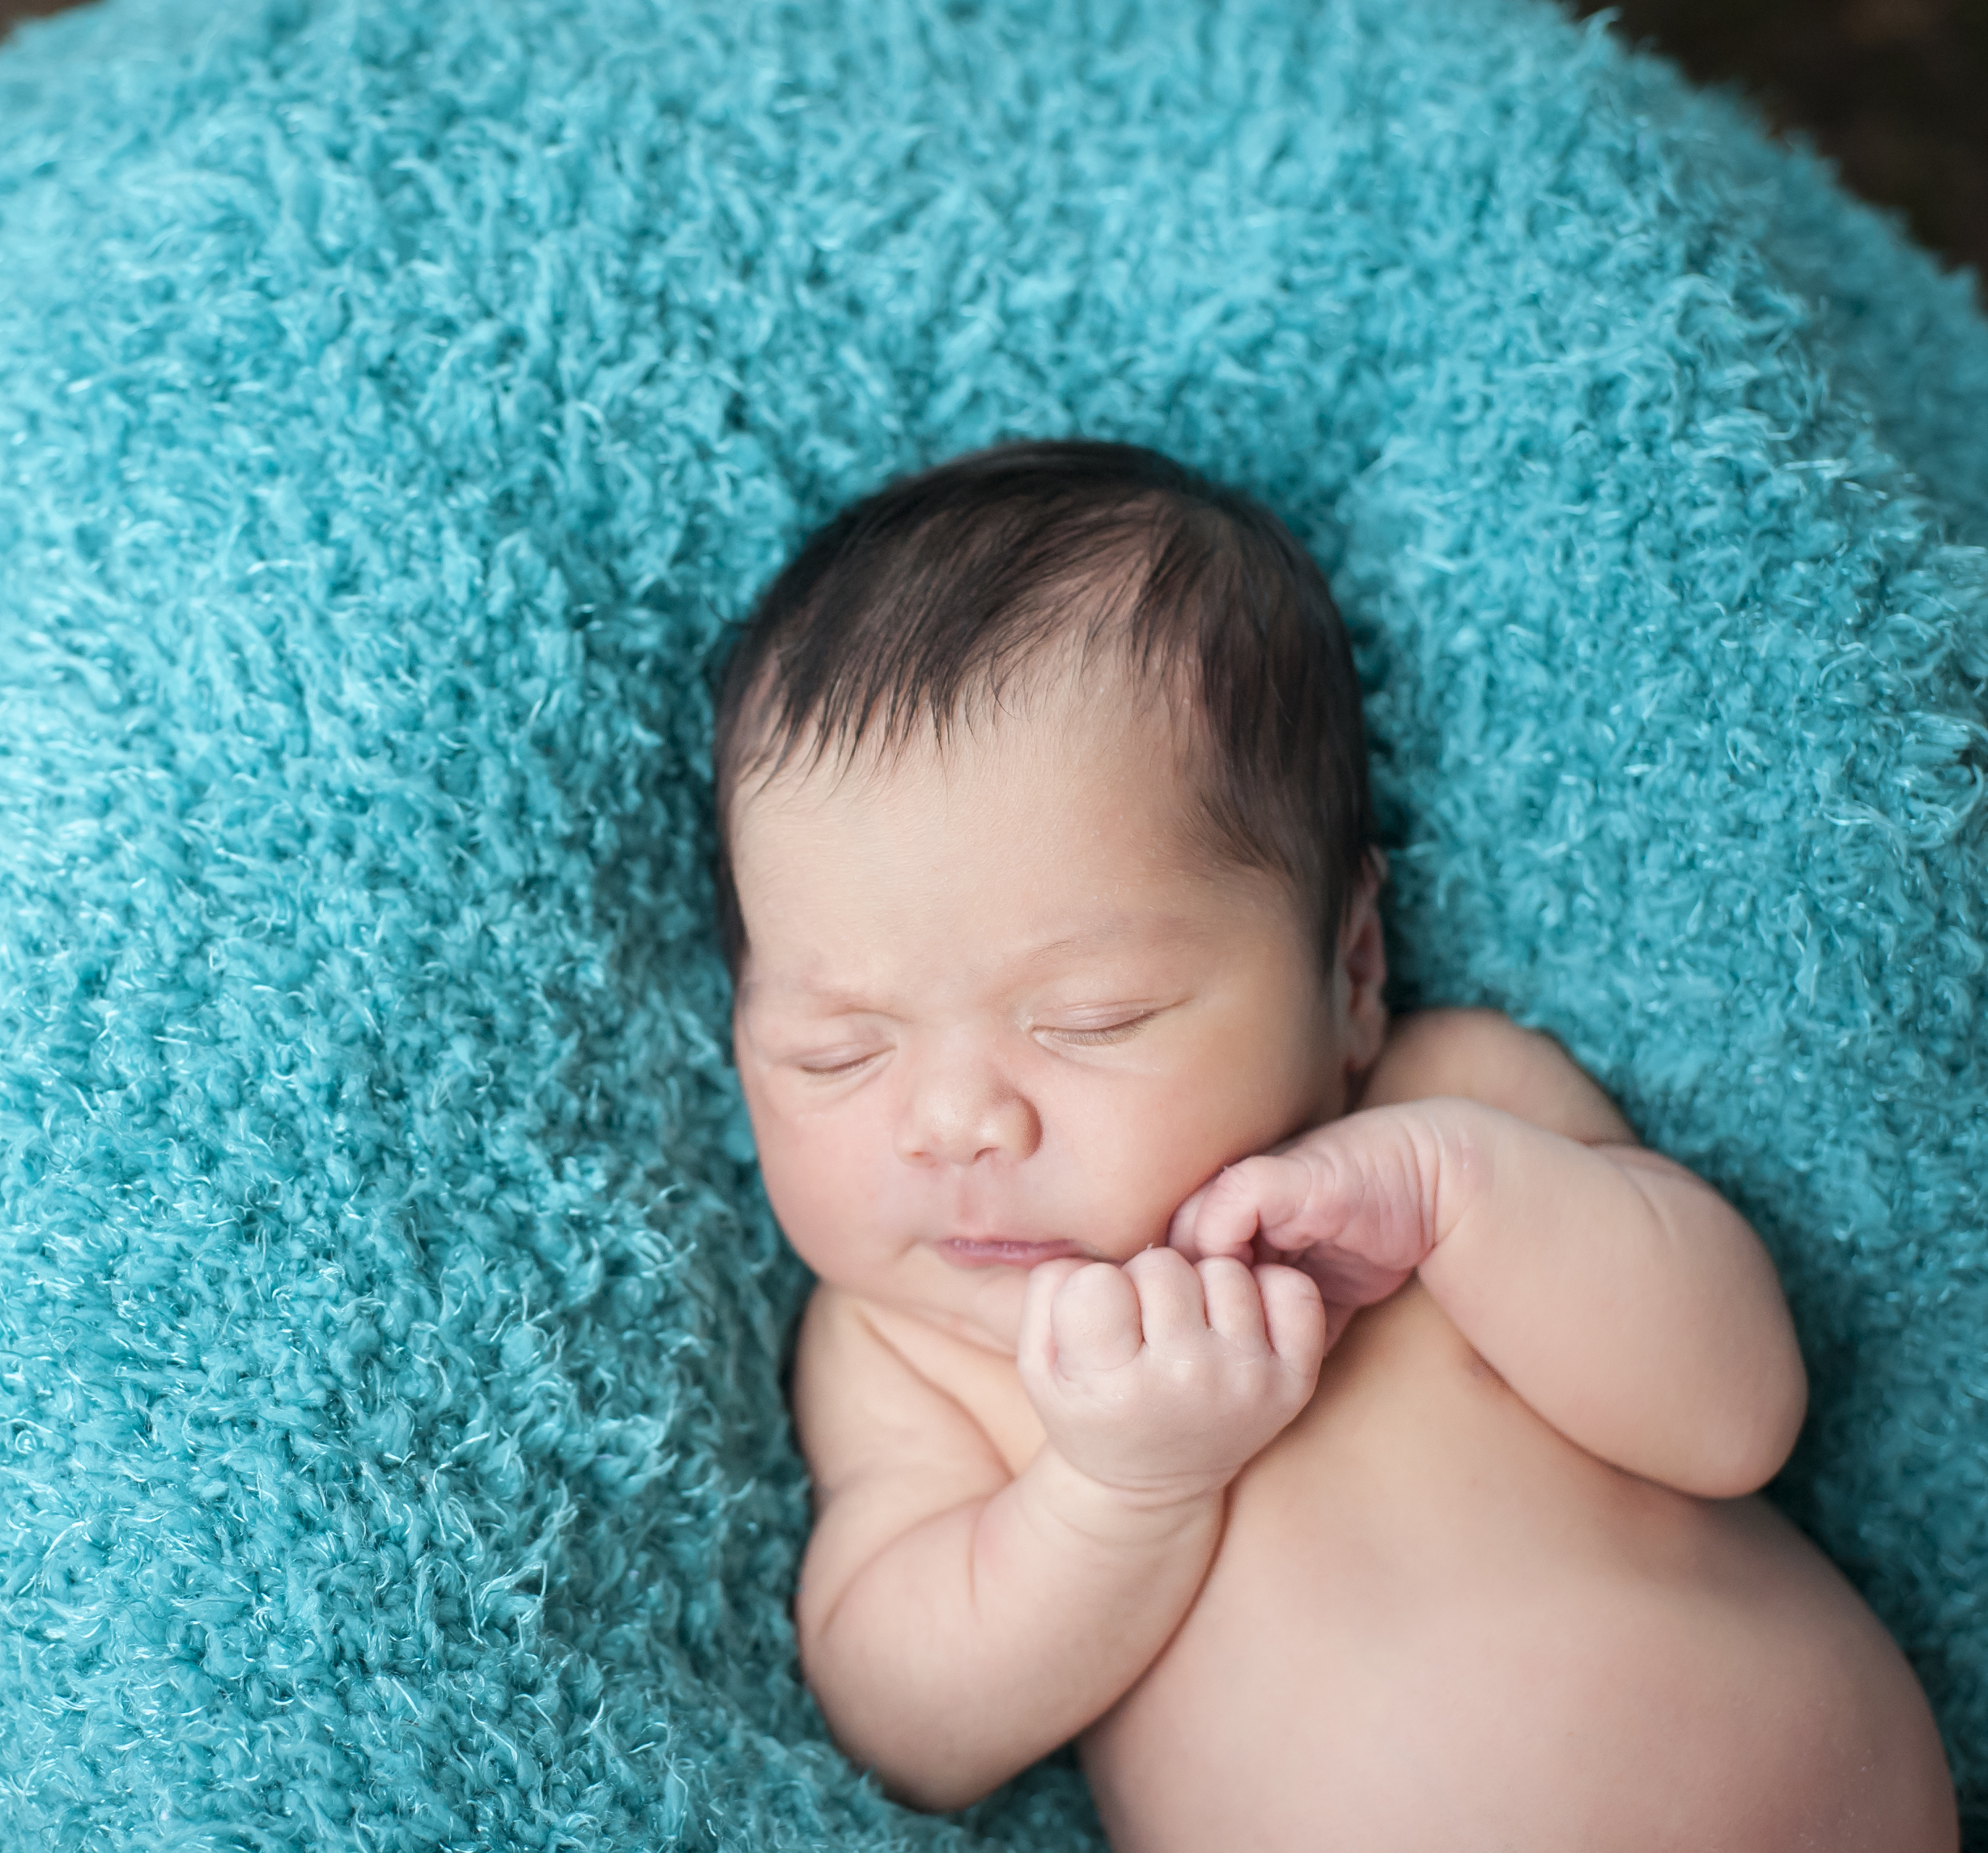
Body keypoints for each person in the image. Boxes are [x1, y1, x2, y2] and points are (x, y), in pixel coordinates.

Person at [711, 439, 1956, 1849]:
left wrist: (1458, 1198)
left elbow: (1738, 1416)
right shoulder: (906, 1346)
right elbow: (907, 1728)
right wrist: (1118, 1487)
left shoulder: (1455, 1104)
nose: (953, 1125)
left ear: (1353, 971)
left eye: (1090, 1018)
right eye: (839, 1049)